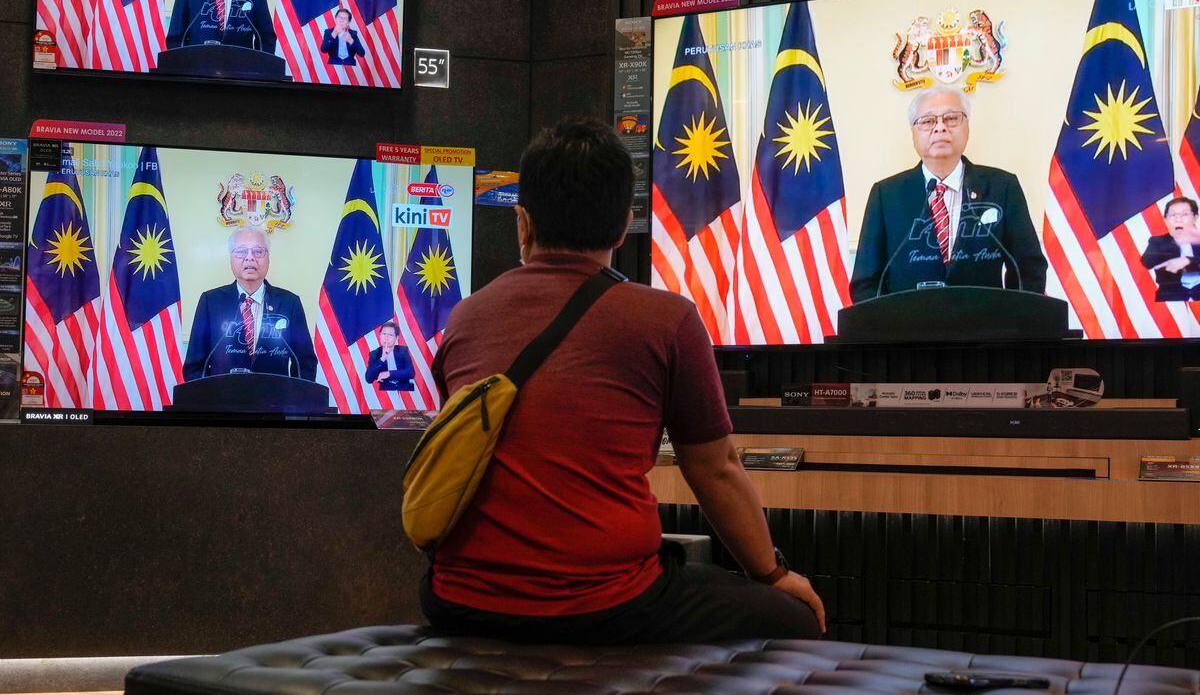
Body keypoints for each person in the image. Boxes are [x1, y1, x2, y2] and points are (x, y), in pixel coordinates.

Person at [422, 118, 824, 645]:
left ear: (522, 223)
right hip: (607, 604)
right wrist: (774, 576)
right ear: (623, 227)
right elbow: (716, 469)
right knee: (792, 620)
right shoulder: (668, 319)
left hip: (456, 601)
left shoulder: (465, 317)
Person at [849, 86, 1047, 302]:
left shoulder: (1003, 187)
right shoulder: (886, 195)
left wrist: (1013, 325)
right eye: (927, 121)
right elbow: (865, 282)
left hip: (986, 330)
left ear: (967, 128)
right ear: (913, 133)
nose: (940, 128)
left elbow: (1029, 269)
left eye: (951, 118)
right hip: (907, 330)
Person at [182, 228, 317, 381]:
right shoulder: (210, 302)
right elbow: (194, 366)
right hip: (222, 401)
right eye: (241, 251)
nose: (250, 258)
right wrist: (207, 402)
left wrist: (295, 402)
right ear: (231, 259)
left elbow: (305, 363)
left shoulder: (289, 303)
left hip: (276, 402)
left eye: (258, 251)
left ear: (268, 259)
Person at [1141, 197, 1200, 301]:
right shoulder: (1158, 241)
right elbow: (1147, 262)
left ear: (1195, 218)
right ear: (1165, 220)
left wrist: (1188, 260)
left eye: (1184, 214)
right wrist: (1175, 241)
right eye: (1173, 215)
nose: (1178, 219)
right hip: (1171, 300)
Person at [365, 321, 414, 390]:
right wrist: (382, 358)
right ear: (380, 335)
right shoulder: (374, 354)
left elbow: (410, 372)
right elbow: (369, 379)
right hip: (386, 393)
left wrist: (389, 374)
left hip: (405, 390)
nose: (386, 337)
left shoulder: (403, 351)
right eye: (384, 334)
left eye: (390, 335)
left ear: (396, 338)